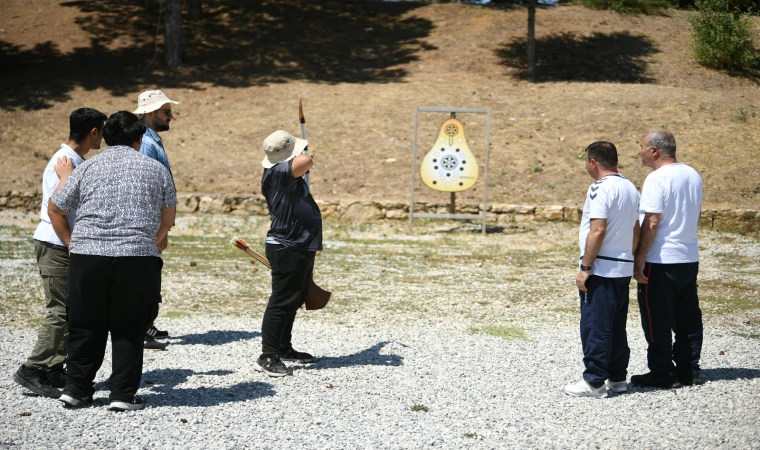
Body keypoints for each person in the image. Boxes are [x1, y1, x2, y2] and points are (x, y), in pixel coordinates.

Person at [49, 111, 177, 411]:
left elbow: (56, 207)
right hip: (136, 257)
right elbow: (168, 214)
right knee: (129, 327)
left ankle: (76, 389)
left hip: (87, 256)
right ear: (139, 137)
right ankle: (121, 394)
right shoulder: (156, 170)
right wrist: (155, 237)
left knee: (84, 324)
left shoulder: (88, 168)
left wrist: (71, 242)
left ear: (105, 137)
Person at [12, 108, 107, 399]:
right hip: (56, 245)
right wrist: (71, 245)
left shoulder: (75, 161)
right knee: (59, 311)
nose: (102, 136)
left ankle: (52, 368)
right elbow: (56, 211)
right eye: (101, 131)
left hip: (63, 244)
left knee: (70, 310)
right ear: (93, 132)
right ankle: (32, 368)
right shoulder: (63, 162)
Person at [564, 141, 640, 398]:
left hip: (602, 269)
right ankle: (617, 378)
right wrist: (630, 259)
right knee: (616, 326)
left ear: (593, 162)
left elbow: (597, 229)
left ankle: (594, 381)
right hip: (621, 267)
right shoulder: (630, 187)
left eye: (586, 160)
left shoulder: (599, 188)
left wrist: (586, 267)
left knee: (596, 325)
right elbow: (635, 229)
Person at [632, 130, 704, 389]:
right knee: (687, 317)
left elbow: (651, 221)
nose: (639, 151)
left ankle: (662, 372)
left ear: (654, 151)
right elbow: (696, 215)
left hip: (661, 259)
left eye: (641, 146)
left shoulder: (656, 178)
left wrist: (639, 258)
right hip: (688, 256)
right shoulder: (693, 175)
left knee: (656, 317)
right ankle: (689, 369)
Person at [255, 130, 322, 377]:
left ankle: (283, 347)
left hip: (298, 244)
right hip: (287, 246)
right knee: (282, 301)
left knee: (294, 298)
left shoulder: (283, 172)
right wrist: (302, 152)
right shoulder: (277, 173)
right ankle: (268, 355)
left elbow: (302, 163)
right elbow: (307, 160)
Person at [134, 89, 180, 350]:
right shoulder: (147, 144)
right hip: (150, 225)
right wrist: (160, 230)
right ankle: (140, 327)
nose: (171, 116)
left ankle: (145, 324)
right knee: (147, 277)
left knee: (151, 275)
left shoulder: (151, 140)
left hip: (154, 224)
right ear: (149, 113)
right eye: (166, 112)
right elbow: (149, 191)